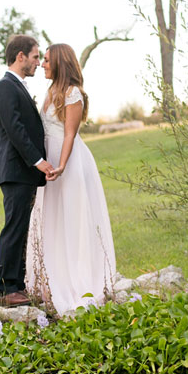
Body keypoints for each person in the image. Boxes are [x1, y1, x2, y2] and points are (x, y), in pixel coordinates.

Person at [26, 43, 116, 315]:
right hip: (50, 162)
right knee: (51, 217)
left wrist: (62, 165)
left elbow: (69, 133)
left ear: (61, 63)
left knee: (73, 218)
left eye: (48, 60)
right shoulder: (50, 90)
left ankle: (79, 279)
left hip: (70, 162)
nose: (42, 64)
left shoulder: (72, 92)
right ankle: (51, 276)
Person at [0, 34, 55, 307]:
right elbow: (15, 131)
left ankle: (17, 284)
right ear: (20, 57)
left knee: (21, 228)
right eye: (35, 56)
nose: (38, 62)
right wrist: (37, 160)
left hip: (22, 172)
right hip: (16, 170)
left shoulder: (16, 86)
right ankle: (7, 289)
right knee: (14, 228)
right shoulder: (5, 87)